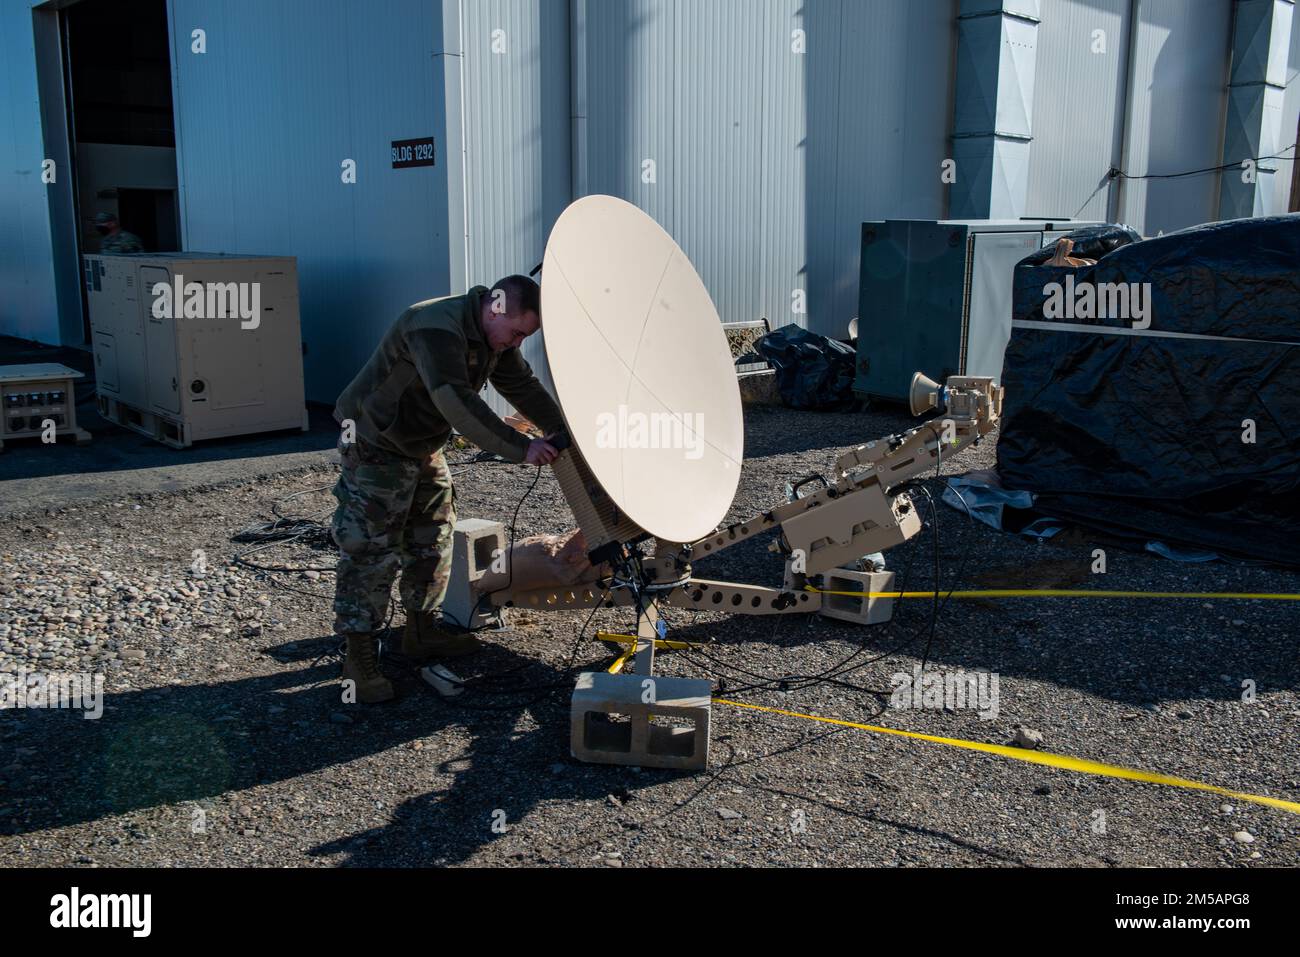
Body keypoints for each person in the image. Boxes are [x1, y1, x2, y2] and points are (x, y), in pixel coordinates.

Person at [331, 275, 564, 702]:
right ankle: (358, 657)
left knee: (432, 535)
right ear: (495, 309)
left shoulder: (496, 338)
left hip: (421, 445)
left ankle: (421, 631)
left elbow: (522, 385)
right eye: (515, 333)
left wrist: (561, 431)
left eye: (524, 337)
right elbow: (455, 400)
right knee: (371, 549)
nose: (515, 343)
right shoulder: (433, 325)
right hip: (375, 440)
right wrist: (520, 447)